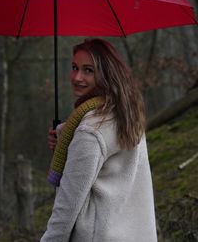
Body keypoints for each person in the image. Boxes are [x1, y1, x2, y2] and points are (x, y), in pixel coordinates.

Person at [40, 38, 157, 242]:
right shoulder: (126, 114)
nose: (77, 77)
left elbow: (68, 204)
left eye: (88, 70)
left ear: (105, 74)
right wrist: (68, 147)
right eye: (75, 67)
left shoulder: (90, 131)